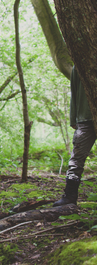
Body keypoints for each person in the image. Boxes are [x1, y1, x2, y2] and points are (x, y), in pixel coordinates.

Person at [54, 66, 96, 206]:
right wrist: (73, 119)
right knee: (76, 160)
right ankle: (69, 196)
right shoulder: (78, 64)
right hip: (85, 119)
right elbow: (74, 91)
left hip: (85, 119)